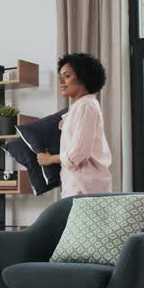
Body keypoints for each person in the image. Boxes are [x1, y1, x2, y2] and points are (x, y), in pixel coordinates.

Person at [37, 53, 112, 198]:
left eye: (67, 76)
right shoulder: (79, 107)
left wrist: (50, 159)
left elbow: (79, 152)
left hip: (85, 187)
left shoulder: (86, 106)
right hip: (78, 185)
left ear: (83, 77)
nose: (62, 82)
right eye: (60, 77)